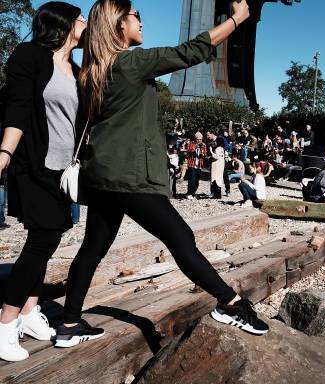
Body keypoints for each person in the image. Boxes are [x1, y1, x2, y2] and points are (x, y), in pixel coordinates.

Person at [56, 0, 268, 349]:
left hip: (102, 175)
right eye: (135, 15)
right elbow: (193, 51)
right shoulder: (132, 63)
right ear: (118, 25)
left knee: (93, 248)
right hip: (129, 175)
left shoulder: (93, 72)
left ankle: (68, 322)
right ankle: (230, 303)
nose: (141, 20)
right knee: (180, 238)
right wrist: (237, 18)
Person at [0, 2, 87, 362]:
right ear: (63, 23)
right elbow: (17, 107)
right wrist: (4, 154)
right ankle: (5, 323)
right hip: (34, 163)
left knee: (51, 235)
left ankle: (29, 312)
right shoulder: (31, 56)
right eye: (81, 18)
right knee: (43, 239)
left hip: (64, 170)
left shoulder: (77, 68)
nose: (86, 23)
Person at [184, 132, 207, 200]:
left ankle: (193, 193)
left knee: (196, 181)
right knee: (192, 180)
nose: (199, 140)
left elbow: (205, 154)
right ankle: (189, 193)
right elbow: (188, 150)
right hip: (192, 164)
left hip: (199, 165)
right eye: (198, 139)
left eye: (200, 139)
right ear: (195, 138)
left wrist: (202, 154)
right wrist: (195, 147)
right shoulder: (192, 143)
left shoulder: (203, 145)